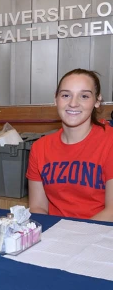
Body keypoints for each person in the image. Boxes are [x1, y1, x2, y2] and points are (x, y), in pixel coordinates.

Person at [27, 69, 113, 221]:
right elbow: (38, 206)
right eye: (66, 95)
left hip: (99, 233)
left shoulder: (109, 141)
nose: (73, 103)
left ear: (97, 101)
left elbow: (111, 211)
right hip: (55, 234)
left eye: (84, 96)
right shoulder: (40, 147)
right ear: (56, 99)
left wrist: (72, 237)